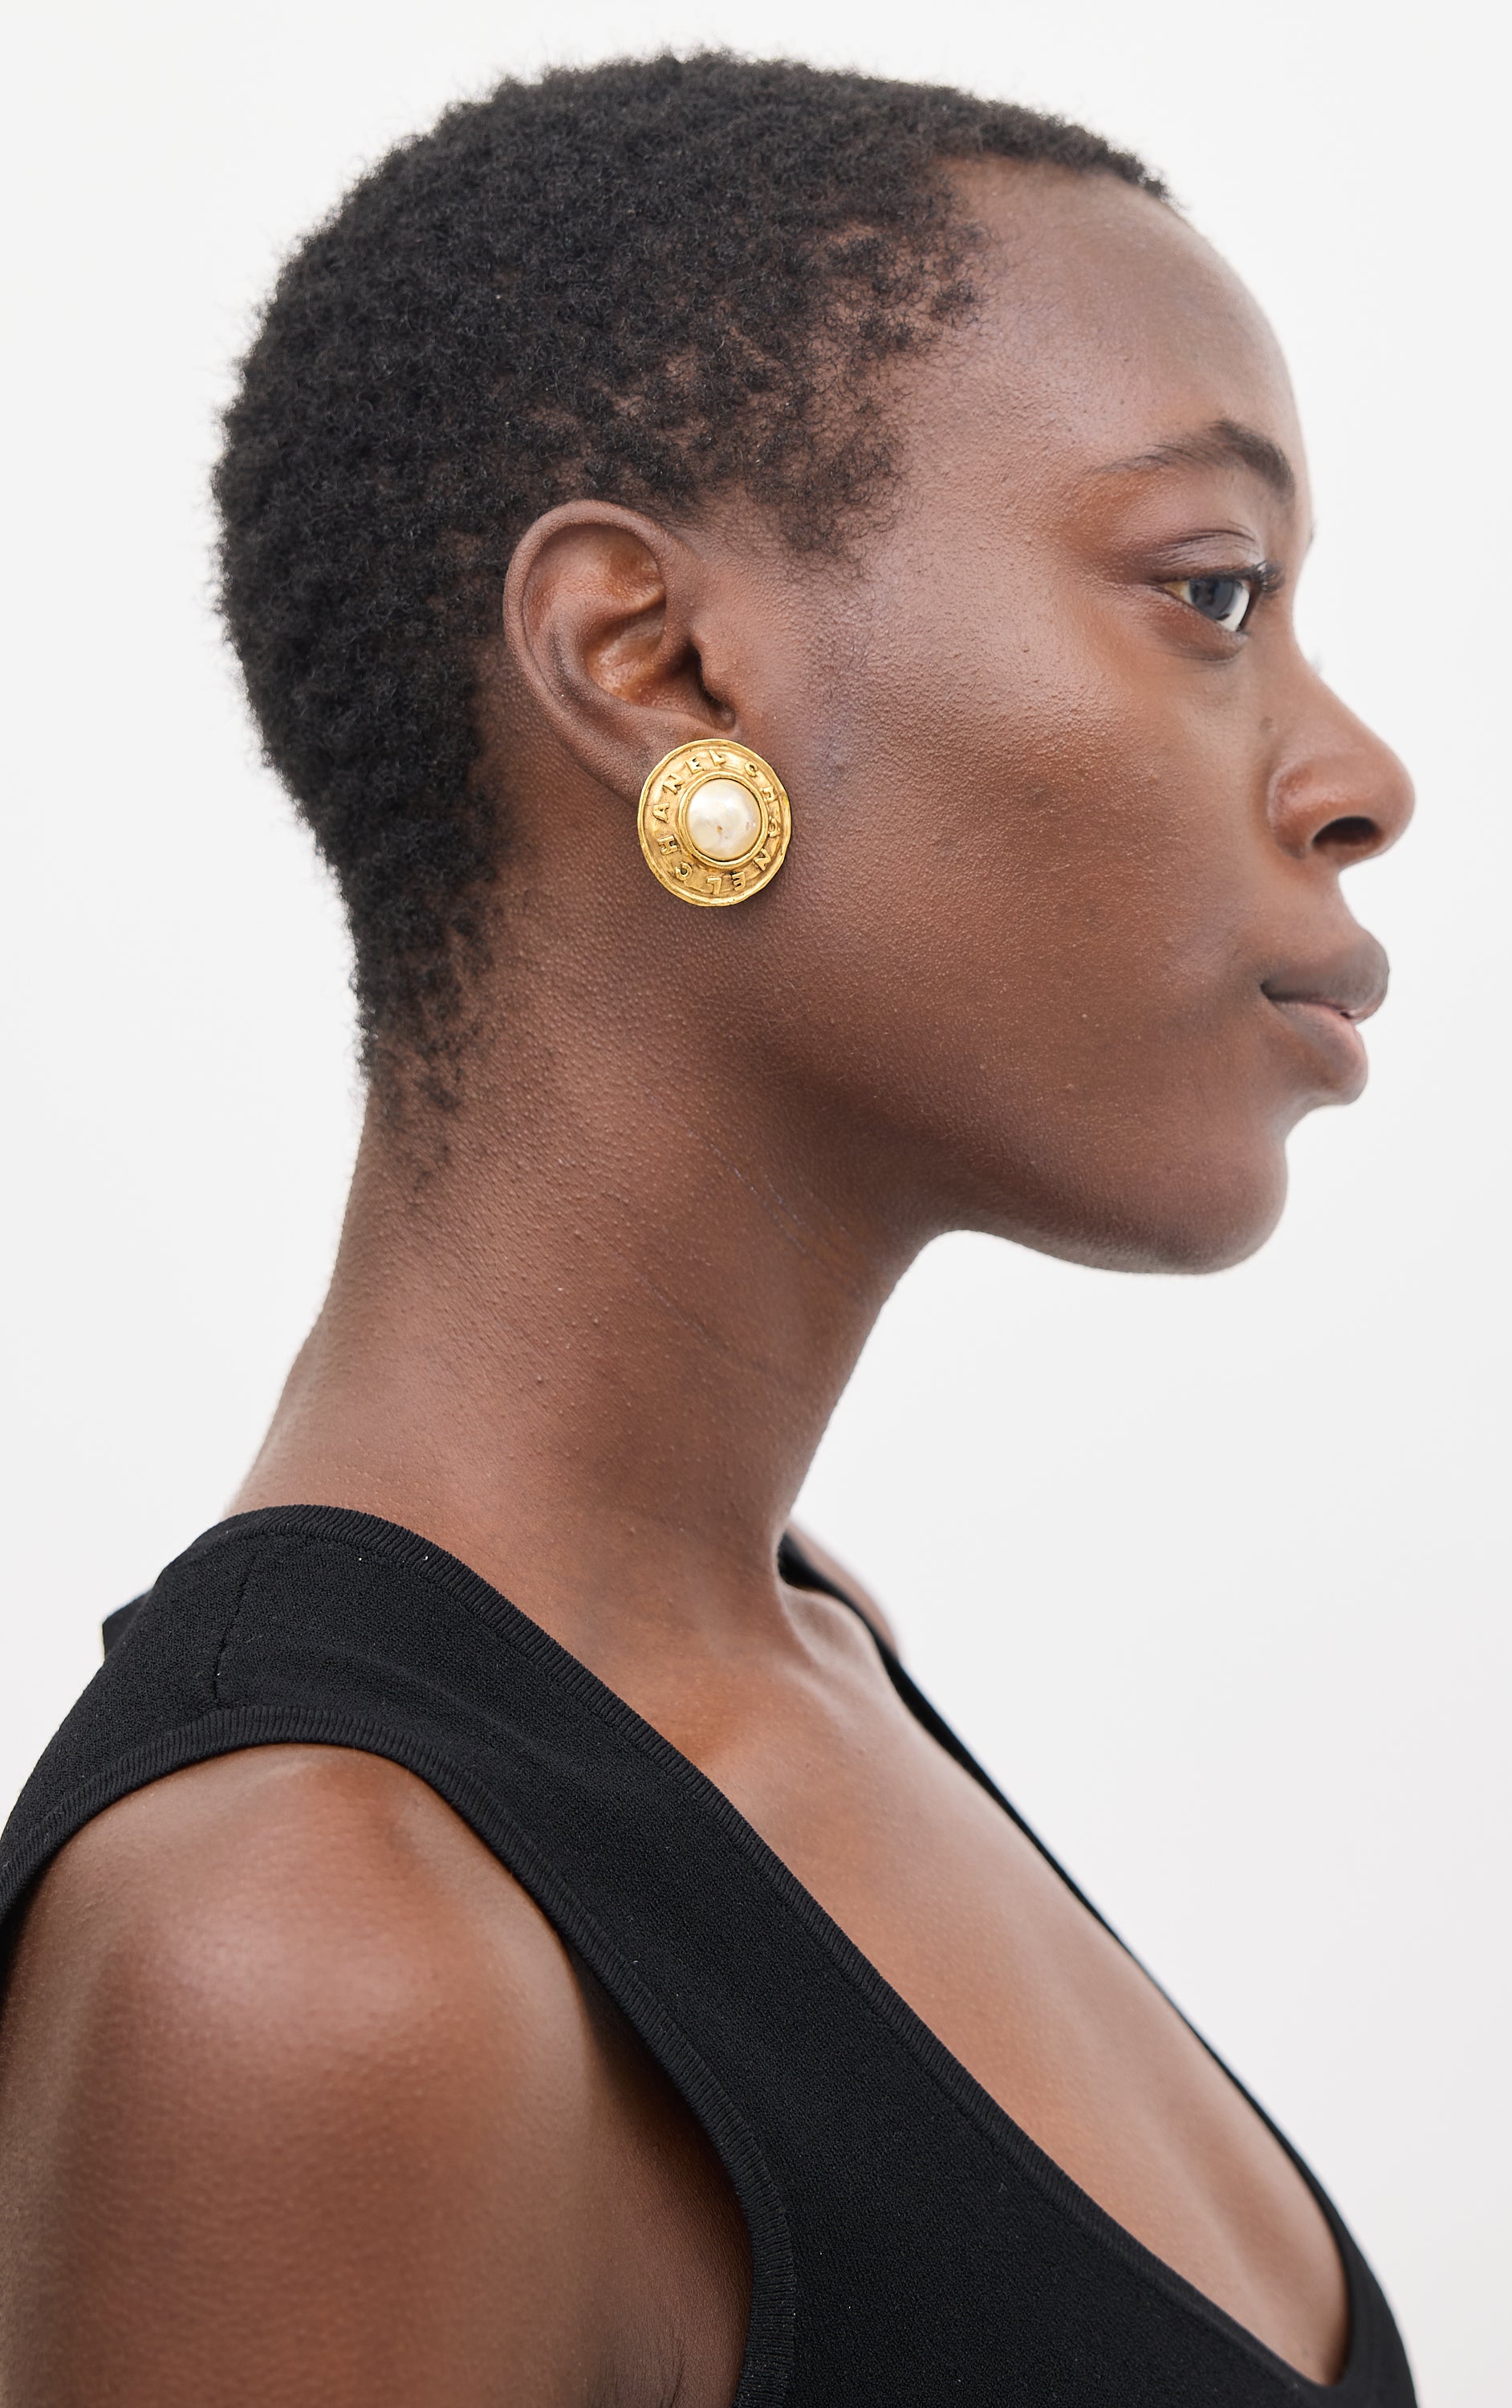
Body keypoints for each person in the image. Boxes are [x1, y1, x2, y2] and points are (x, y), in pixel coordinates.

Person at [0, 53, 1416, 2406]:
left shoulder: (808, 1655)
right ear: (658, 671)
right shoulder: (322, 1944)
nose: (1358, 775)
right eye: (1210, 592)